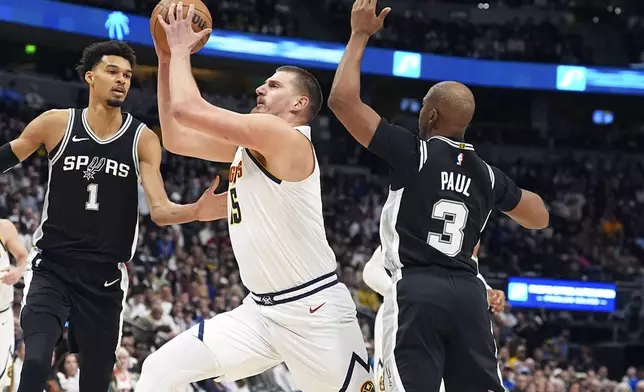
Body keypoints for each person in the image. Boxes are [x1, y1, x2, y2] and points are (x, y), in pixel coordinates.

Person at [134, 4, 373, 391]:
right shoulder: (250, 147)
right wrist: (164, 58)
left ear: (299, 105)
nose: (261, 88)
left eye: (275, 85)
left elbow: (187, 108)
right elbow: (177, 137)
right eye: (265, 82)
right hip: (260, 313)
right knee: (160, 370)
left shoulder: (284, 138)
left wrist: (179, 50)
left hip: (315, 313)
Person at [327, 1, 549, 390]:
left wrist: (360, 34)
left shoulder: (415, 151)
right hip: (467, 295)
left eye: (424, 105)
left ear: (430, 117)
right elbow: (540, 216)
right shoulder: (487, 175)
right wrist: (503, 198)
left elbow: (342, 102)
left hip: (417, 290)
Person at [0, 40, 226, 392]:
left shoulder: (142, 139)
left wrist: (196, 210)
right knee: (36, 363)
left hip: (104, 280)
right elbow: (10, 154)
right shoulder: (56, 123)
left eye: (127, 75)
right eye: (112, 72)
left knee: (95, 381)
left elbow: (161, 211)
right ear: (90, 77)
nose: (121, 80)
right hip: (52, 268)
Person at [362, 244, 506, 392]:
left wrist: (486, 291)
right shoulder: (410, 229)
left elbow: (463, 272)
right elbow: (371, 271)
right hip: (404, 314)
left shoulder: (464, 233)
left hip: (451, 316)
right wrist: (403, 295)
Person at [0, 220, 29, 391]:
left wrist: (18, 272)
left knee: (3, 378)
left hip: (2, 314)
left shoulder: (4, 227)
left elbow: (24, 257)